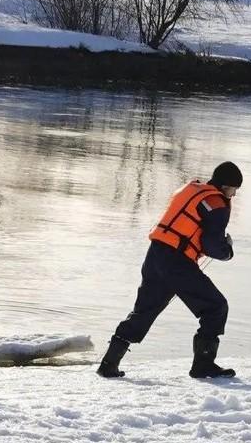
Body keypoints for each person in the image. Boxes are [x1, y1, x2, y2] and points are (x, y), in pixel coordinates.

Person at [99, 161, 242, 380]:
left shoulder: (191, 190)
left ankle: (109, 364)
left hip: (155, 254)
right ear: (225, 186)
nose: (233, 195)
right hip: (177, 262)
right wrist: (227, 251)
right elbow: (212, 245)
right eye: (234, 190)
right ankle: (203, 366)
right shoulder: (216, 203)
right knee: (216, 307)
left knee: (145, 310)